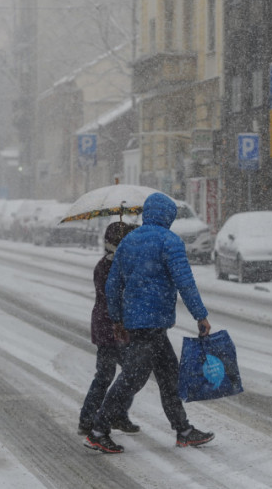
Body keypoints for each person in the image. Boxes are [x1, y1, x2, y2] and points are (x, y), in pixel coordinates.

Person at [84, 192, 214, 454]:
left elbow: (113, 285)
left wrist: (118, 319)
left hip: (138, 322)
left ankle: (184, 430)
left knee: (168, 376)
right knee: (133, 379)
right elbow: (185, 282)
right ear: (167, 216)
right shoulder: (170, 241)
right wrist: (200, 315)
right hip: (151, 325)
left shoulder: (128, 242)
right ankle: (98, 430)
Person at [77, 221, 141, 436]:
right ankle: (88, 419)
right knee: (112, 375)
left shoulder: (116, 264)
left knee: (128, 374)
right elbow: (113, 297)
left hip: (112, 327)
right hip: (112, 328)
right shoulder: (107, 266)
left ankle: (117, 415)